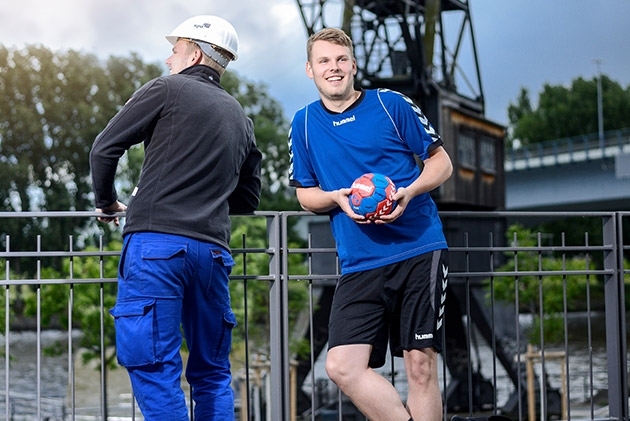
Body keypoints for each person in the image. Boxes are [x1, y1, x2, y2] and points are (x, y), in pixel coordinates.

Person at [89, 15, 262, 421]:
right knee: (213, 371)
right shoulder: (240, 117)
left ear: (195, 53)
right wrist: (205, 200)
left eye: (175, 49)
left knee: (152, 365)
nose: (168, 58)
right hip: (213, 254)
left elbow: (103, 149)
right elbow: (248, 200)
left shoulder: (167, 89)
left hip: (157, 247)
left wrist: (108, 202)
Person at [288, 27, 452, 421]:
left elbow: (441, 163)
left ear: (354, 65)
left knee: (420, 366)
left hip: (419, 247)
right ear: (310, 70)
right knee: (341, 366)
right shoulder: (304, 124)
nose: (334, 68)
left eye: (341, 60)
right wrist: (335, 198)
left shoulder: (391, 104)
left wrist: (409, 192)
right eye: (324, 61)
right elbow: (305, 194)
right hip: (359, 261)